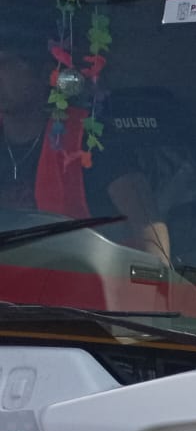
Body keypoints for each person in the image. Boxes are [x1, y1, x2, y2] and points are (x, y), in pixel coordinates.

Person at [0, 16, 168, 260]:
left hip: (75, 281)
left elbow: (148, 230)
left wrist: (151, 281)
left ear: (46, 74)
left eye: (4, 64)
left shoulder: (90, 138)